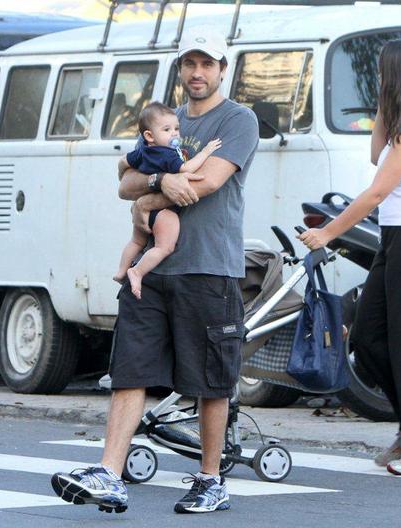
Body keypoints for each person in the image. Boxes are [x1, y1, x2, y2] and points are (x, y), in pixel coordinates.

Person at [50, 27, 259, 513]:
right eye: (190, 63)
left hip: (207, 268)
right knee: (130, 370)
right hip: (150, 271)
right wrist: (159, 181)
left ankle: (211, 479)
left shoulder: (239, 120)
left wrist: (148, 194)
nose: (198, 73)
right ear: (181, 68)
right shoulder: (164, 121)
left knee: (210, 380)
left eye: (207, 64)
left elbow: (204, 185)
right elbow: (124, 181)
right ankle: (109, 473)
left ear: (223, 69)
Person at [298, 38, 401, 476]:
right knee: (368, 339)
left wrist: (327, 233)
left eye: (385, 72)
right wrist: (385, 106)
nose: (379, 78)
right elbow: (375, 156)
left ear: (400, 75)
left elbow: (376, 192)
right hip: (397, 239)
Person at [113, 101, 222, 299]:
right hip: (163, 213)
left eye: (176, 129)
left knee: (136, 242)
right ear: (149, 135)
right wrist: (206, 152)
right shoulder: (168, 155)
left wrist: (121, 171)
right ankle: (136, 272)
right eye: (167, 130)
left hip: (143, 211)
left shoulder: (143, 151)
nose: (174, 134)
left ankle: (121, 270)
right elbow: (187, 169)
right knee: (164, 247)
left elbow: (124, 162)